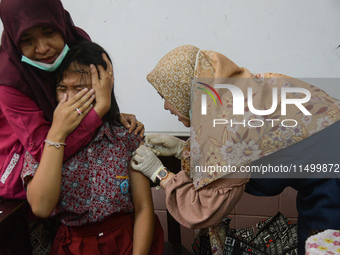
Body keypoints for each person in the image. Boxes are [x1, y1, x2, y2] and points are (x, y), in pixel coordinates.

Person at [132, 45, 340, 255]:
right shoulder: (230, 93)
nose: (166, 106)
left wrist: (161, 174)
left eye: (165, 96)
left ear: (185, 88)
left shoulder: (226, 124)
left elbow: (204, 212)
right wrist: (183, 149)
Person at [21, 41, 164, 255]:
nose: (69, 99)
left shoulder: (125, 135)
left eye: (80, 89)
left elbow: (143, 208)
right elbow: (41, 208)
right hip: (74, 247)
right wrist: (57, 135)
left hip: (126, 242)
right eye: (62, 89)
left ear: (103, 88)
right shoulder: (42, 140)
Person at [0, 0, 144, 201]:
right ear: (14, 38)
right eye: (27, 39)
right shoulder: (9, 81)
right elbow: (45, 150)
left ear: (59, 22)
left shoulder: (77, 44)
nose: (42, 48)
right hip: (24, 182)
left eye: (49, 32)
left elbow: (95, 95)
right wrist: (99, 111)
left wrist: (112, 117)